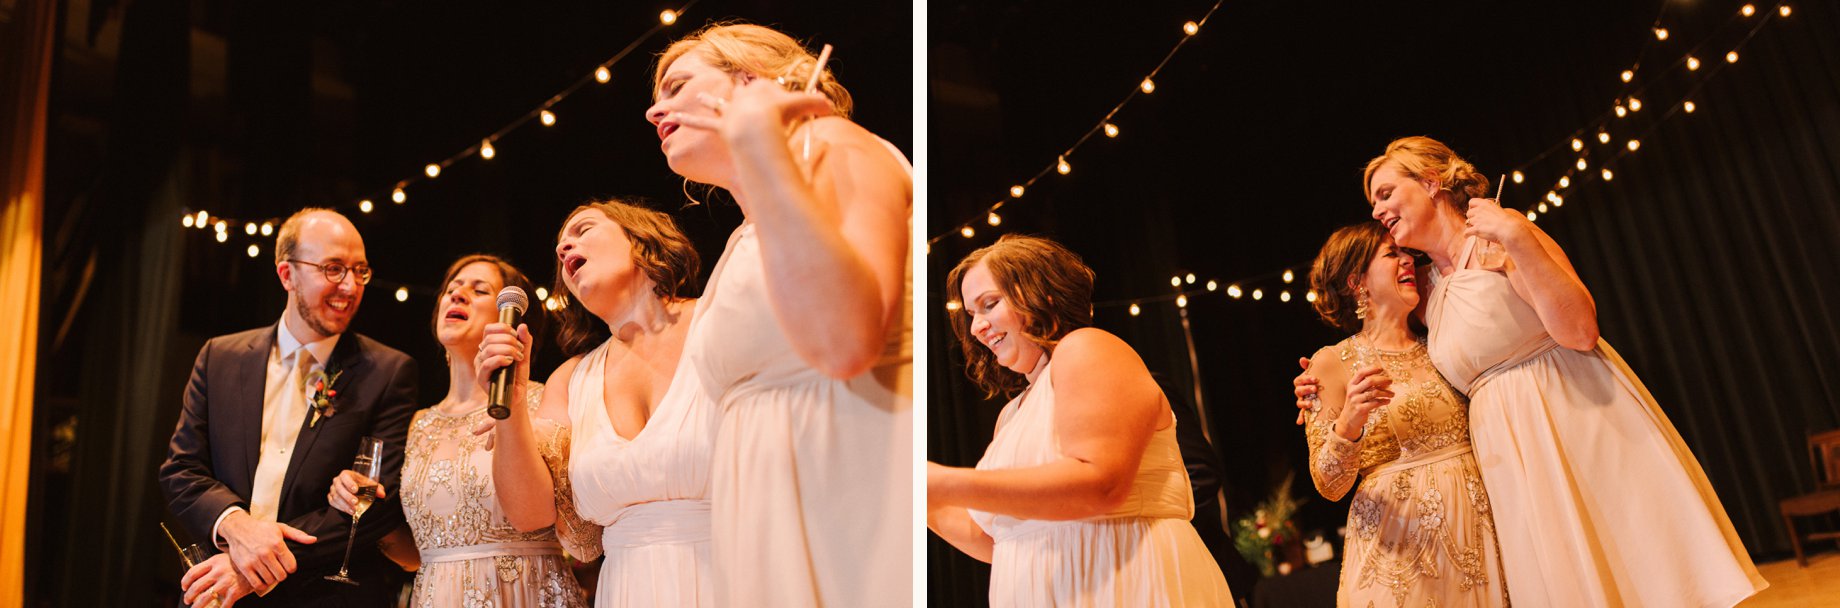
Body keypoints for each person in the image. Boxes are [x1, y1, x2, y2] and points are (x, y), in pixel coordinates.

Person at [1296, 136, 1766, 606]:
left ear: (1432, 182)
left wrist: (1515, 237)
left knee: (1633, 561)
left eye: (1385, 193)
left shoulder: (1503, 232)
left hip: (1571, 411)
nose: (1378, 210)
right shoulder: (1422, 288)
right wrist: (1320, 389)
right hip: (1504, 453)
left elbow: (1581, 331)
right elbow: (1393, 354)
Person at [644, 22, 912, 606]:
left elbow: (844, 340)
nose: (652, 111)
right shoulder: (747, 235)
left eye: (676, 86)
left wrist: (762, 150)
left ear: (752, 80)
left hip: (841, 507)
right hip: (763, 526)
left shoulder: (836, 146)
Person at [928, 234, 1234, 606]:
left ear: (1042, 295)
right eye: (971, 314)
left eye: (989, 304)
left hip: (1123, 582)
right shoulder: (1011, 414)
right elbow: (995, 539)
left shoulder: (1088, 347)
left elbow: (1101, 484)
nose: (976, 327)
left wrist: (946, 481)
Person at [161, 208, 418, 606]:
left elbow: (379, 503)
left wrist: (254, 565)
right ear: (287, 275)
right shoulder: (221, 357)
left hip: (322, 594)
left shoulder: (387, 371)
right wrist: (236, 525)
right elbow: (182, 471)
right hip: (218, 596)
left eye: (360, 271)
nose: (349, 287)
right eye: (333, 269)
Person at [476, 200, 715, 607]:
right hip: (628, 588)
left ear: (642, 241)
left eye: (581, 230)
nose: (563, 248)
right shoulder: (571, 380)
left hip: (737, 572)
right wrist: (512, 408)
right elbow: (530, 515)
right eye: (559, 247)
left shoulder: (720, 318)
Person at [327, 253, 594, 606]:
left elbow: (550, 519)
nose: (457, 294)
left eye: (479, 290)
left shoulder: (545, 403)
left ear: (513, 320)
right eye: (451, 289)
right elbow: (413, 556)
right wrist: (363, 509)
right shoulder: (417, 423)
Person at [1299, 222, 1506, 605]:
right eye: (1392, 254)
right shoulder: (1329, 363)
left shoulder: (1443, 340)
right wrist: (1349, 424)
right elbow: (1328, 485)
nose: (1408, 259)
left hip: (1476, 531)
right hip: (1400, 549)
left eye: (1407, 252)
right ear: (1356, 282)